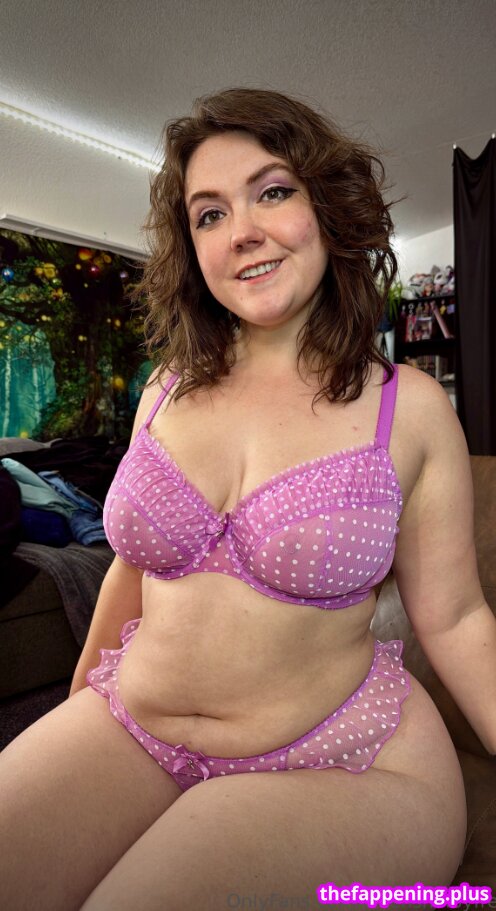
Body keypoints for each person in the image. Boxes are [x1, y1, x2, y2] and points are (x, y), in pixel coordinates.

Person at [0, 87, 493, 911]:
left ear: (327, 207)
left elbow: (457, 618)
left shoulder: (405, 408)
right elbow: (131, 568)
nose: (242, 231)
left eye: (272, 191)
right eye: (209, 213)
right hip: (137, 721)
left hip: (341, 758)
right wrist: (81, 704)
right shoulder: (164, 387)